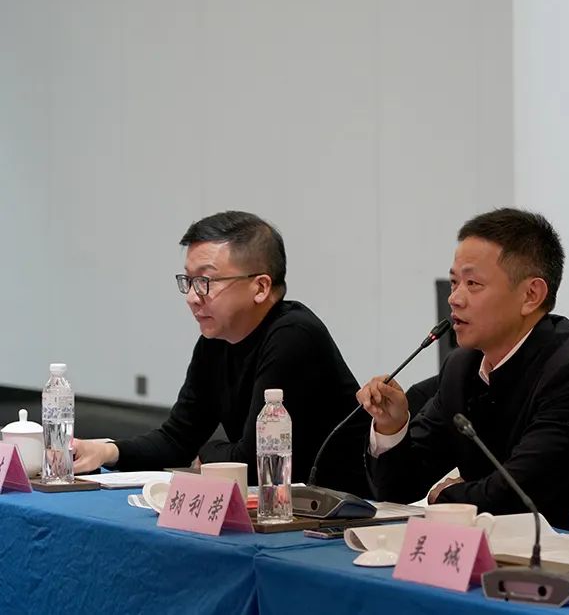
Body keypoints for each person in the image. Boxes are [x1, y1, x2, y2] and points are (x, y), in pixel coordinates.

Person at [356, 208, 569, 529]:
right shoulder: (461, 368)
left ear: (530, 295)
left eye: (473, 283)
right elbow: (398, 491)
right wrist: (392, 426)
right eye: (454, 282)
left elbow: (515, 496)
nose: (455, 299)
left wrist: (443, 497)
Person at [72, 211, 369, 493]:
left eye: (205, 282)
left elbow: (254, 463)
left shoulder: (294, 336)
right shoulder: (216, 341)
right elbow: (177, 438)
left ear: (260, 287)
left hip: (344, 511)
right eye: (188, 281)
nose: (192, 297)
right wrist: (106, 451)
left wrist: (207, 451)